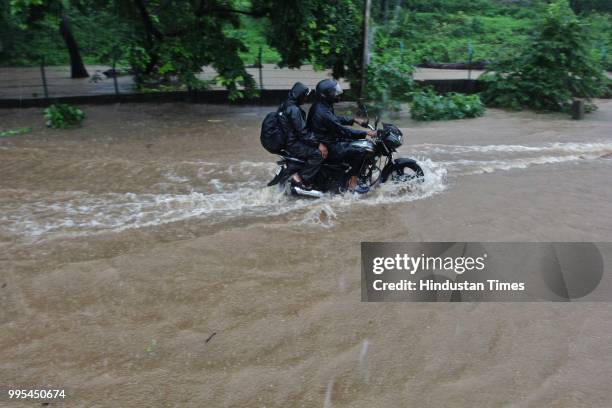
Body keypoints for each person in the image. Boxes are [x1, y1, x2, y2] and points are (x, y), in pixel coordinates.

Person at [307, 79, 376, 193]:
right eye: (334, 93)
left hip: (327, 139)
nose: (337, 95)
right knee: (361, 151)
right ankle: (352, 184)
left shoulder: (323, 106)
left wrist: (353, 120)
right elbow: (342, 130)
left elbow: (335, 120)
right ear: (326, 95)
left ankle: (347, 174)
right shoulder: (323, 111)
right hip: (328, 144)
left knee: (353, 143)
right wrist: (366, 133)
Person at [278, 82, 326, 190]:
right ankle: (300, 178)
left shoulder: (285, 105)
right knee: (318, 154)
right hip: (293, 144)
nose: (306, 99)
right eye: (305, 96)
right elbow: (303, 133)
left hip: (287, 142)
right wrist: (318, 144)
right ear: (300, 95)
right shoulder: (294, 110)